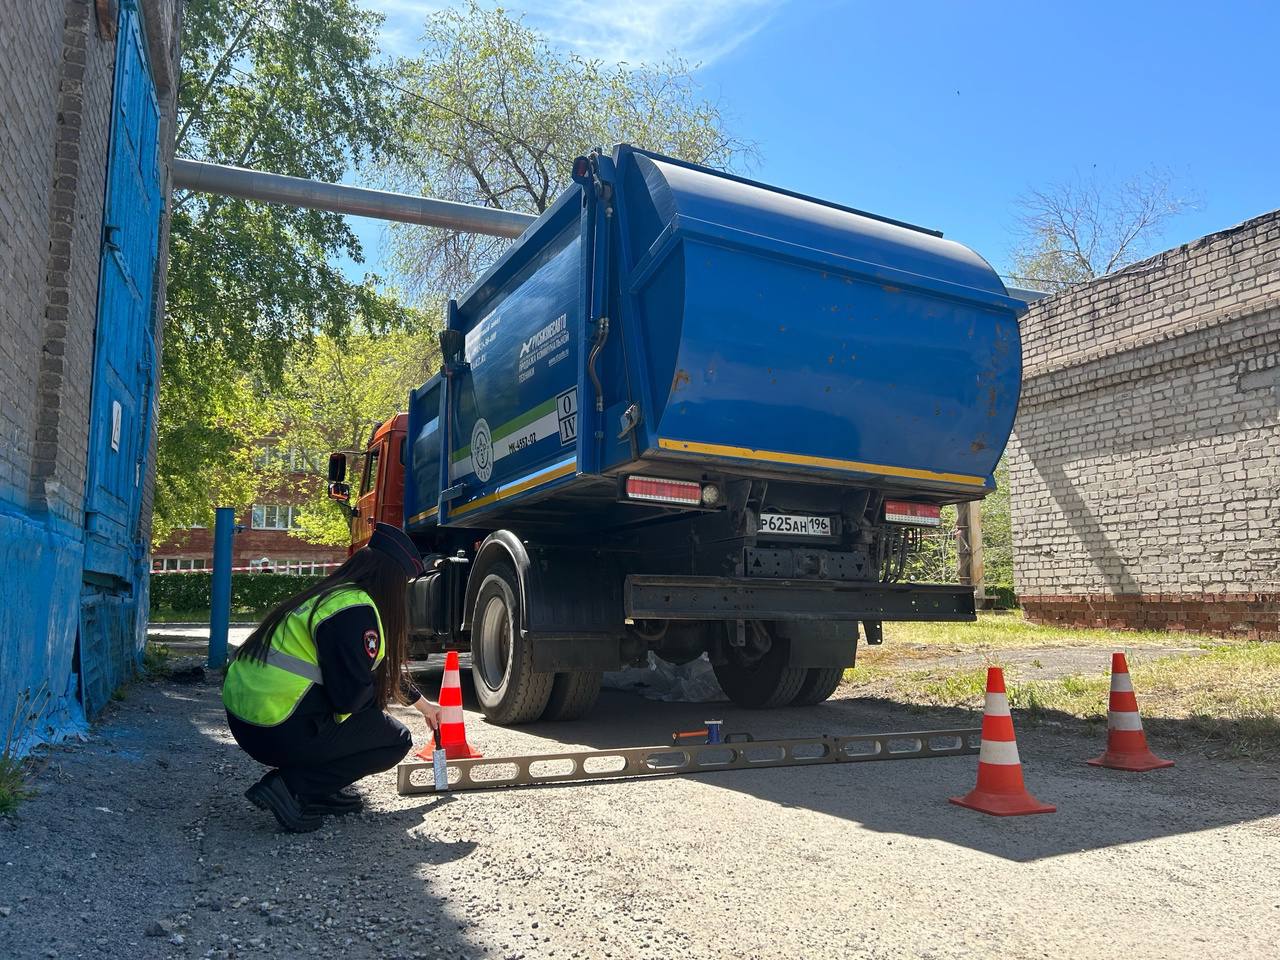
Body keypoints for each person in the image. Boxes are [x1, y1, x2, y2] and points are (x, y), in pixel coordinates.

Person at [223, 523, 440, 832]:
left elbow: (370, 672)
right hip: (275, 727)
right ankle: (291, 786)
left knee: (367, 709)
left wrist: (424, 706)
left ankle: (318, 790)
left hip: (247, 717)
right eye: (403, 583)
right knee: (394, 739)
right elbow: (349, 697)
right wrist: (374, 697)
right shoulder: (356, 612)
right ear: (390, 580)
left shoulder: (334, 597)